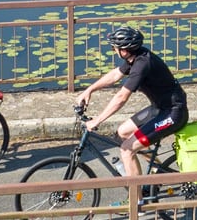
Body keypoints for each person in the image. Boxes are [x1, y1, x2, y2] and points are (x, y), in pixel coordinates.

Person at [77, 25, 187, 178]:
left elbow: (121, 97)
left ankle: (137, 199)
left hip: (173, 113)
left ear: (125, 50)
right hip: (159, 109)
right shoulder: (135, 57)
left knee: (126, 150)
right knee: (123, 132)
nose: (113, 50)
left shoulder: (142, 64)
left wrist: (98, 120)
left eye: (115, 47)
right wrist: (89, 90)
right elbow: (116, 74)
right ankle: (158, 170)